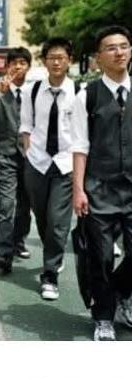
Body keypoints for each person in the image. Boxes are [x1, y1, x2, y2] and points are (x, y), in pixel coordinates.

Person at [72, 25, 132, 341]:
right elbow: (80, 146)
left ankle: (118, 291)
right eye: (111, 47)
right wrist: (78, 189)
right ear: (99, 57)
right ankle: (104, 317)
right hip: (99, 190)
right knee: (102, 257)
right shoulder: (88, 96)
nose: (119, 52)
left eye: (124, 46)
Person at [20, 37, 76, 300]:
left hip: (66, 163)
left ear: (69, 61)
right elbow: (26, 126)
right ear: (44, 61)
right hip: (37, 162)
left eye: (61, 58)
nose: (56, 62)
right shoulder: (31, 91)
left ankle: (50, 274)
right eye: (51, 58)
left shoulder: (79, 93)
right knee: (42, 218)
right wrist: (29, 151)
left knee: (57, 221)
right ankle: (53, 252)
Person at [0, 47, 32, 274]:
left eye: (23, 63)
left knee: (24, 206)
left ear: (28, 67)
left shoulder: (34, 92)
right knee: (6, 206)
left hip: (31, 157)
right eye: (14, 63)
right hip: (5, 155)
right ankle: (4, 253)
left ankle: (19, 241)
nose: (18, 67)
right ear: (7, 67)